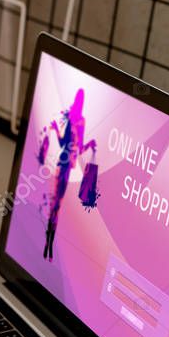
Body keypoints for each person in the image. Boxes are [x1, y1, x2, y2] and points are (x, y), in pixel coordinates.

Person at [44, 88, 96, 261]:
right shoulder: (80, 120)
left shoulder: (74, 119)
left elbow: (62, 143)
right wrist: (89, 144)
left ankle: (48, 245)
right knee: (57, 206)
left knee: (55, 206)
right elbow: (79, 148)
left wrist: (55, 131)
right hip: (65, 167)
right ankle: (49, 246)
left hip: (62, 165)